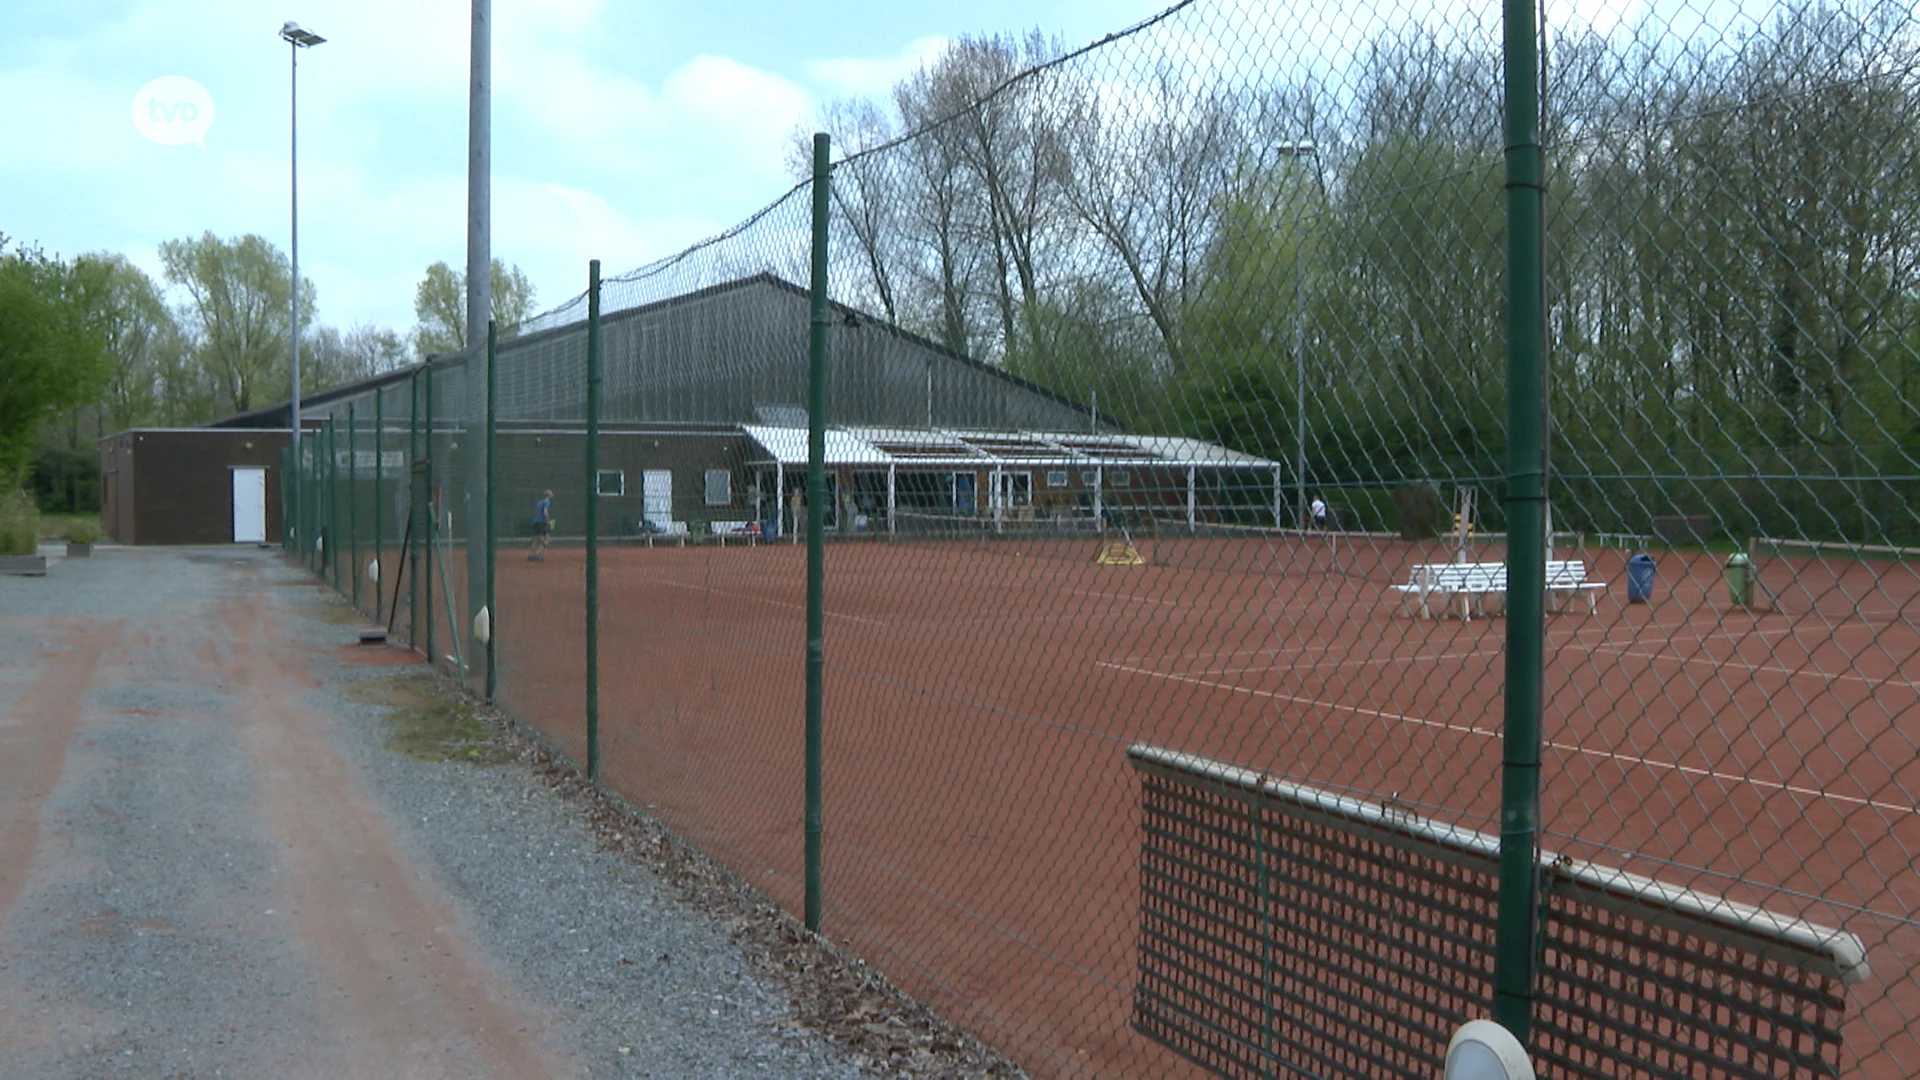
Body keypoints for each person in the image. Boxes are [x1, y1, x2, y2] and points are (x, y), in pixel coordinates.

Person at [530, 490, 553, 560]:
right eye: (551, 494)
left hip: (535, 522)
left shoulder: (540, 502)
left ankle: (532, 554)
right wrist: (548, 521)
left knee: (536, 539)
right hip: (540, 522)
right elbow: (545, 512)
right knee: (547, 539)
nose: (552, 495)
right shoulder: (547, 501)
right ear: (548, 495)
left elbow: (536, 512)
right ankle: (537, 554)